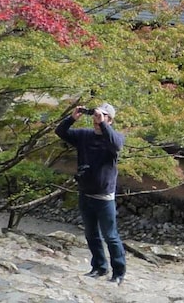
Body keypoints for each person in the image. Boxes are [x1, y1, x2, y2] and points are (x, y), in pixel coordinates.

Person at [55, 102, 127, 285]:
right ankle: (99, 267)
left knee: (110, 236)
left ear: (110, 120)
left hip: (104, 196)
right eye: (97, 115)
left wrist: (102, 124)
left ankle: (118, 272)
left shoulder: (114, 137)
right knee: (91, 234)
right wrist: (72, 118)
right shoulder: (84, 136)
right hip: (85, 193)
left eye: (103, 116)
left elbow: (116, 146)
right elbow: (60, 132)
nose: (97, 119)